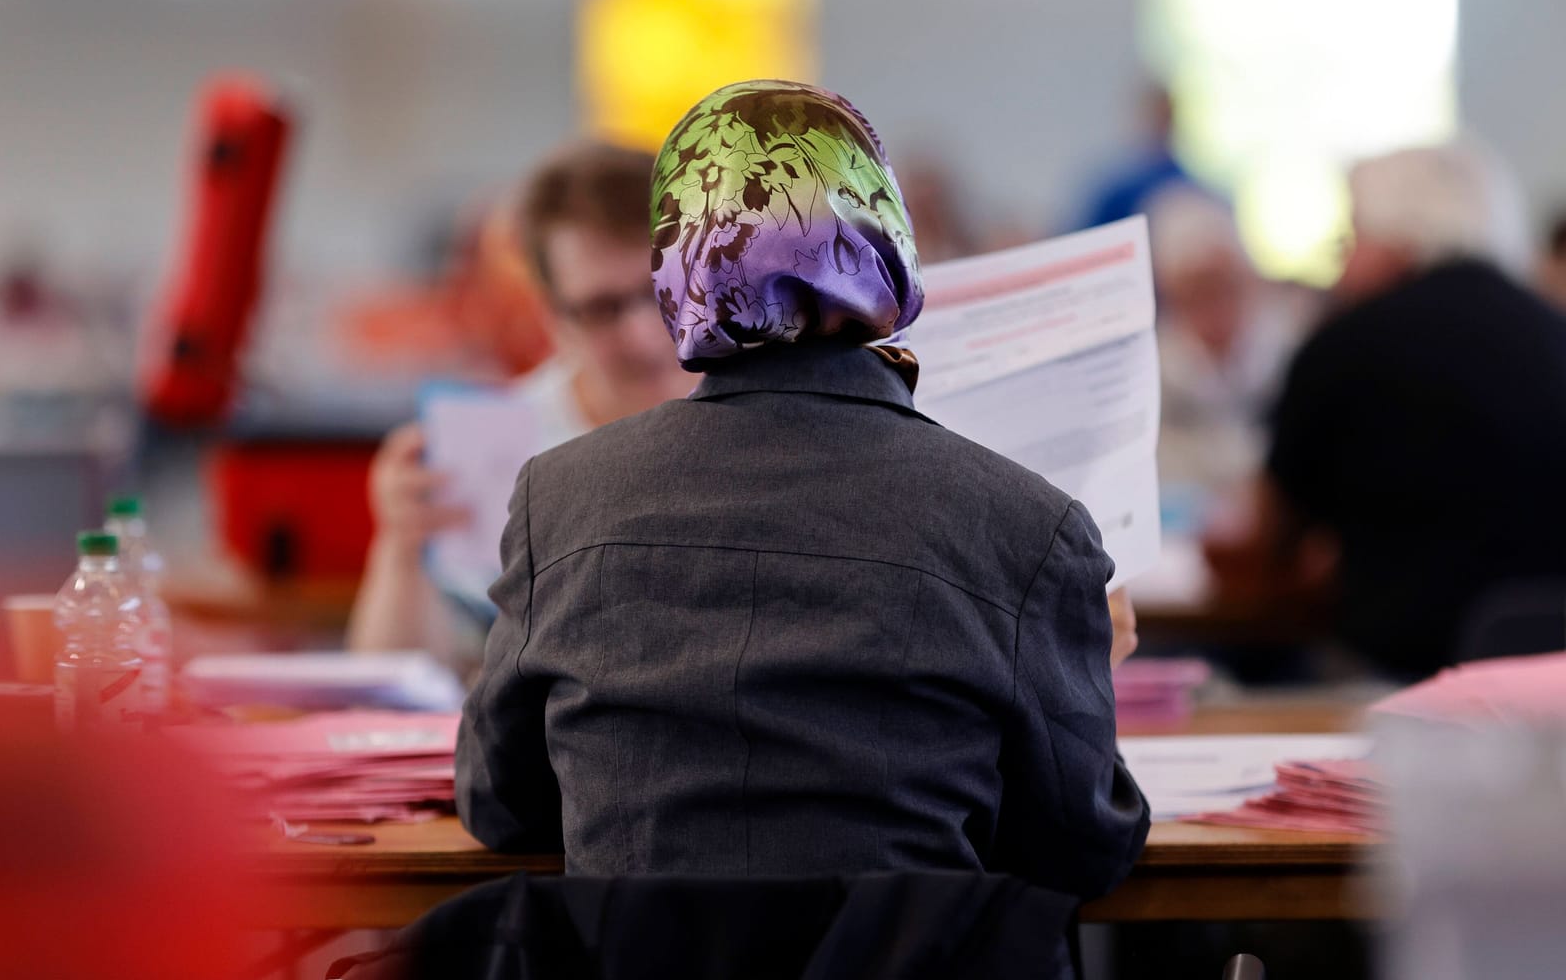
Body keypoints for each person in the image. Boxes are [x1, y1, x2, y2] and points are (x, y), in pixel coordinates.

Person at [456, 80, 1147, 898]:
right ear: (888, 245)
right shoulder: (1031, 527)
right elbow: (1081, 849)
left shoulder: (559, 501)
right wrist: (1079, 672)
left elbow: (500, 804)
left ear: (676, 270)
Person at [1206, 140, 1566, 679]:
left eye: (1351, 237)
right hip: (1544, 685)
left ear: (1397, 239)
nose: (1342, 261)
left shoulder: (1344, 345)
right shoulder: (1553, 331)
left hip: (1386, 681)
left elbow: (1267, 541)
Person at [348, 143, 697, 666]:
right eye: (601, 309)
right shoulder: (497, 443)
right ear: (552, 313)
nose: (643, 335)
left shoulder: (782, 417)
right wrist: (401, 547)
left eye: (663, 292)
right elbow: (397, 683)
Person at [1146, 186, 1309, 511]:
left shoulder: (1290, 343)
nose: (1214, 306)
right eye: (1196, 292)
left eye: (1222, 286)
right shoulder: (1153, 369)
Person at [1074, 82, 1195, 231]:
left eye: (1165, 115)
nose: (1160, 123)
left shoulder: (1187, 188)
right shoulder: (1116, 190)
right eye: (1155, 114)